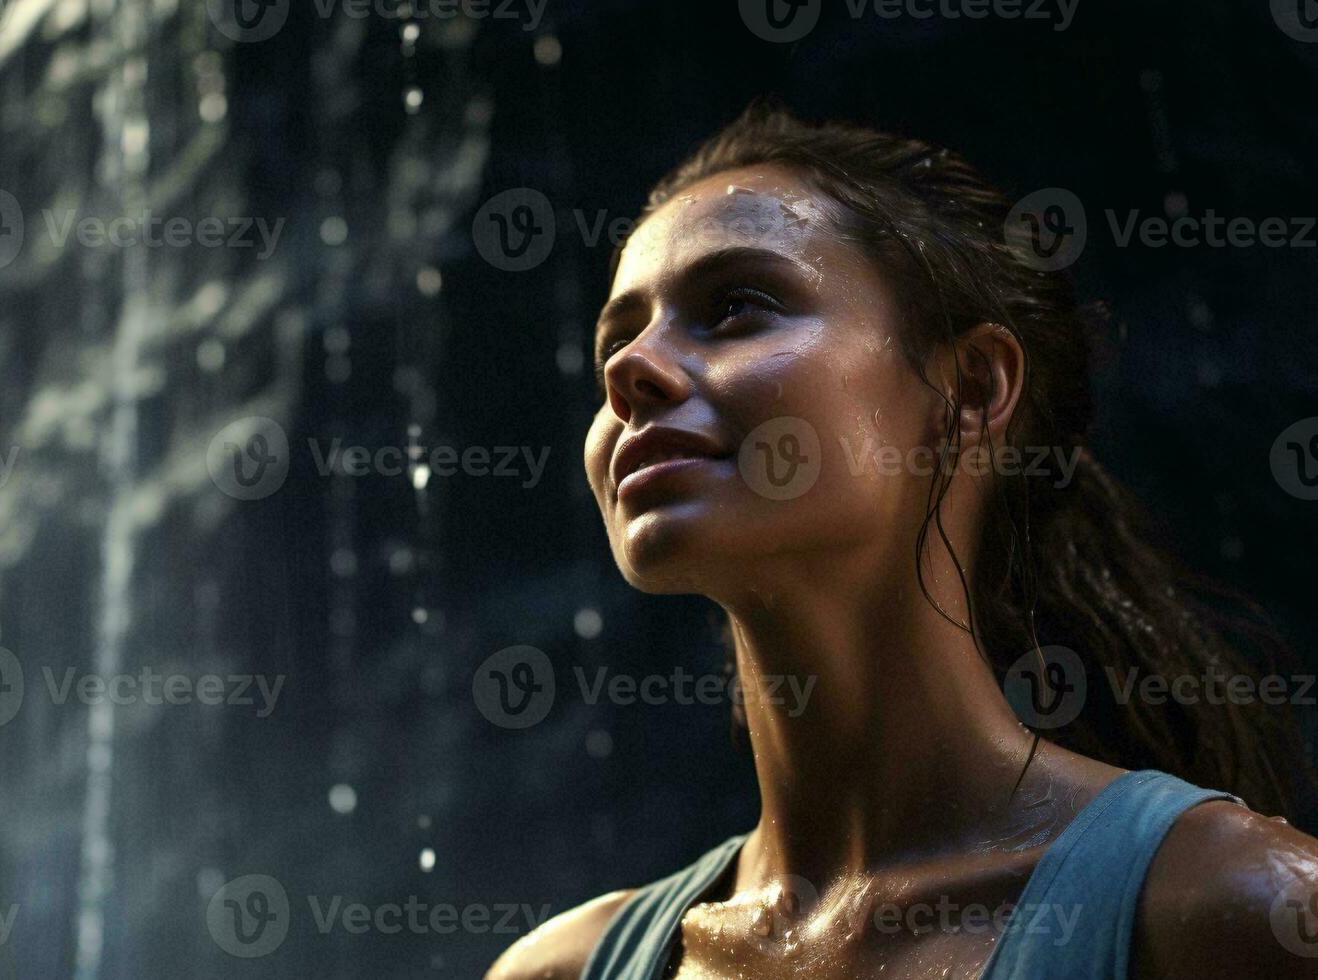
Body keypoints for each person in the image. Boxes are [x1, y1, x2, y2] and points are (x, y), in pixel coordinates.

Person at [487, 101, 1318, 979]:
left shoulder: (1236, 913)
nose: (627, 371)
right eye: (618, 337)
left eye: (735, 307)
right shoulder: (566, 969)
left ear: (969, 390)